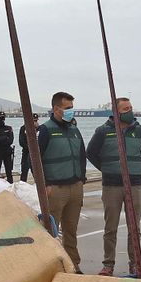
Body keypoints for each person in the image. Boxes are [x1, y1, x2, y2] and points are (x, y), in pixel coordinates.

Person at [84, 97, 141, 276]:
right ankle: (108, 264)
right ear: (116, 112)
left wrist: (136, 166)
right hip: (111, 185)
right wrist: (106, 168)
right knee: (111, 227)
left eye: (131, 107)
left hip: (134, 185)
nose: (130, 111)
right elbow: (90, 153)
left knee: (135, 227)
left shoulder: (139, 130)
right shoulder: (103, 131)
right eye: (126, 109)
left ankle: (135, 264)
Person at [38, 92, 87, 268]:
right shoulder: (45, 130)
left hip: (75, 186)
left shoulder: (74, 130)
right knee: (50, 231)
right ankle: (50, 267)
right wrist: (44, 185)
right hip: (56, 189)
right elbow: (34, 160)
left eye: (72, 108)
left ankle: (73, 265)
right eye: (68, 108)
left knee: (71, 231)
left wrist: (82, 178)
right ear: (56, 109)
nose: (71, 112)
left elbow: (82, 155)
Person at [18, 114, 37, 183]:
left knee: (36, 171)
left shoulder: (39, 128)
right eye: (33, 120)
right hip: (26, 152)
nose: (34, 122)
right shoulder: (23, 128)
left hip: (36, 153)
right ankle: (22, 184)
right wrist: (29, 147)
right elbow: (21, 141)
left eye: (36, 120)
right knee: (24, 170)